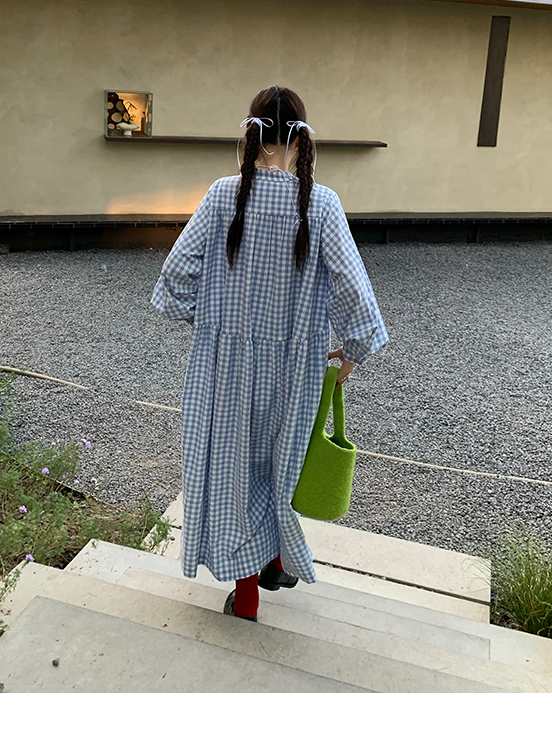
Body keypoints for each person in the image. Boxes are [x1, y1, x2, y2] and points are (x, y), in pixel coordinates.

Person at [151, 85, 388, 621]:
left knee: (234, 475)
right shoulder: (322, 204)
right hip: (295, 368)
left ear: (250, 135)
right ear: (301, 140)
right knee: (280, 470)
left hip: (224, 368)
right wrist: (351, 352)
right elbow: (354, 290)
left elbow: (176, 275)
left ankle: (249, 593)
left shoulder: (222, 195)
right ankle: (276, 561)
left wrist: (211, 322)